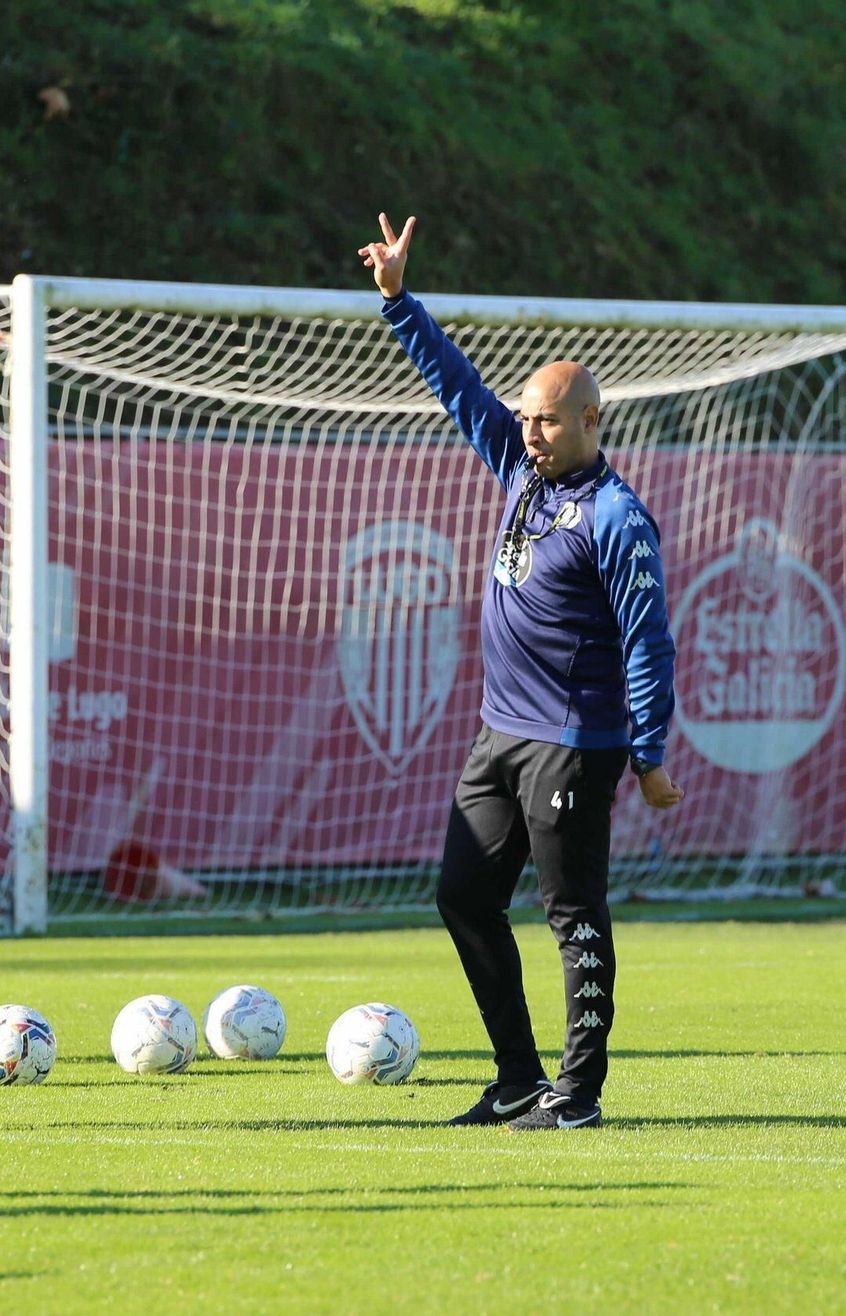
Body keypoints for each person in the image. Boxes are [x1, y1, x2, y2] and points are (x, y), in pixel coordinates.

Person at [359, 213, 684, 1131]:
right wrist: (399, 302)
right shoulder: (523, 469)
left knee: (572, 915)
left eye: (545, 420)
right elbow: (457, 388)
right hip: (499, 735)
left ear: (590, 421)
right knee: (463, 897)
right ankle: (515, 1079)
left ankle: (577, 1096)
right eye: (525, 418)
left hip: (574, 745)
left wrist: (649, 753)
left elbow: (648, 638)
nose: (528, 432)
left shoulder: (618, 518)